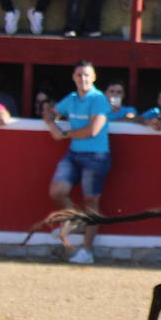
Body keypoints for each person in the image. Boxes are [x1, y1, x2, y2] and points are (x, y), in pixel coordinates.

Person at [43, 60, 113, 265]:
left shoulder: (99, 99)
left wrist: (63, 133)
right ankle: (77, 220)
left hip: (96, 156)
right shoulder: (72, 98)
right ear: (74, 78)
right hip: (75, 153)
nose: (83, 79)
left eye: (86, 75)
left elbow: (93, 130)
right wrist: (50, 123)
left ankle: (87, 250)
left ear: (94, 78)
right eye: (79, 75)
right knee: (57, 192)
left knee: (91, 202)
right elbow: (50, 111)